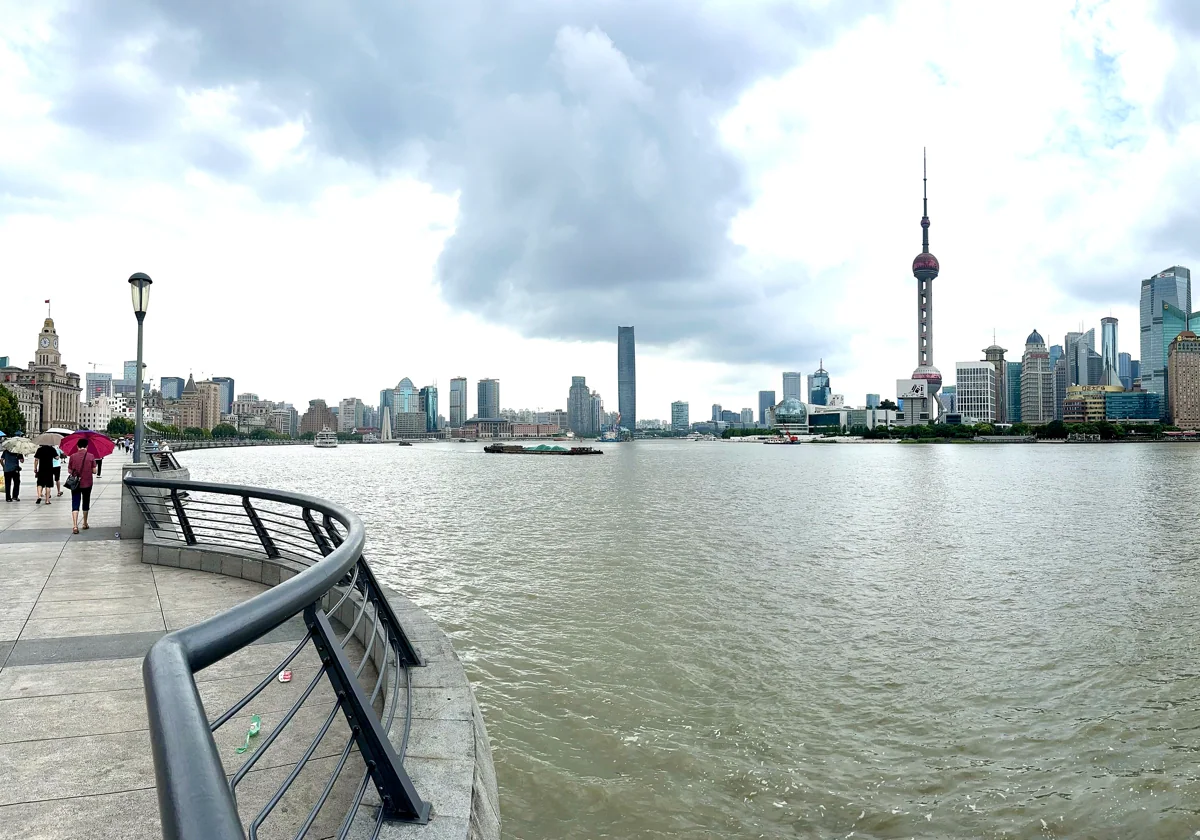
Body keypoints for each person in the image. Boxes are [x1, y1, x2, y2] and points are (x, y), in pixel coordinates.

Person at [66, 439, 96, 534]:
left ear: (77, 446)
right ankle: (85, 523)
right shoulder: (91, 456)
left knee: (75, 502)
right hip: (87, 483)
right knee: (86, 502)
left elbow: (69, 471)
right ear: (87, 446)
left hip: (75, 484)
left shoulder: (72, 456)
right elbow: (94, 471)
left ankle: (75, 526)